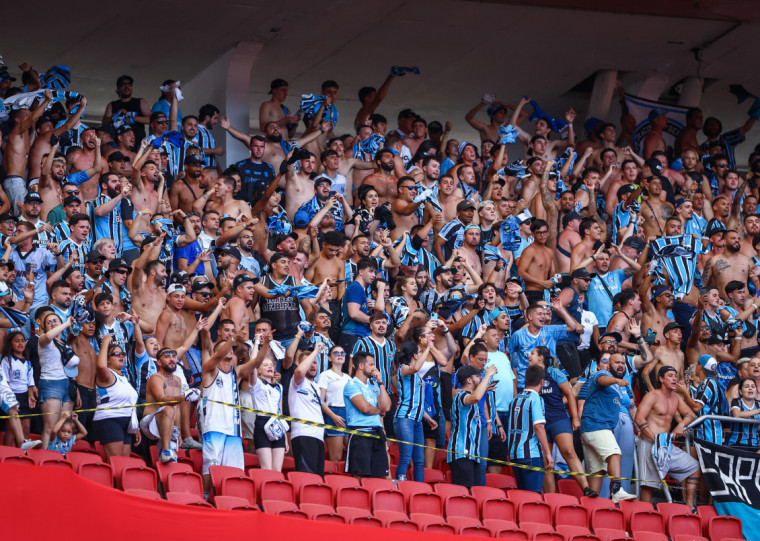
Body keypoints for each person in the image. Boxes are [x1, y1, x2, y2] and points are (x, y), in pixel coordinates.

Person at [529, 346, 596, 496]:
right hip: (540, 423)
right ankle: (551, 497)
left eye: (532, 353)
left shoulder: (554, 372)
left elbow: (570, 394)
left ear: (541, 357)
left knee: (569, 452)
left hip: (558, 418)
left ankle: (586, 488)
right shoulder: (531, 375)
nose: (529, 356)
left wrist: (575, 418)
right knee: (546, 461)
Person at [635, 365, 702, 508]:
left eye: (675, 376)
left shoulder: (676, 397)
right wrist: (655, 439)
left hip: (666, 446)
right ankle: (645, 516)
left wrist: (681, 425)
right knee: (648, 485)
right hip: (649, 443)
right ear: (661, 379)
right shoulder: (652, 395)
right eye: (670, 375)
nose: (674, 379)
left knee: (694, 467)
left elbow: (691, 414)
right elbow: (639, 418)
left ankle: (689, 507)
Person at [580, 354, 637, 503]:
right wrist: (616, 380)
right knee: (615, 453)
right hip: (596, 426)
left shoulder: (619, 387)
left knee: (598, 471)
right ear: (608, 365)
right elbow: (601, 380)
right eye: (616, 362)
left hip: (594, 429)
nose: (620, 365)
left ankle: (590, 507)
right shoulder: (603, 374)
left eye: (623, 363)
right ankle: (617, 490)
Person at [141, 348, 200, 463]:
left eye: (174, 356)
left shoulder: (177, 380)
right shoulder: (156, 378)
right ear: (159, 362)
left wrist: (177, 431)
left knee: (169, 464)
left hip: (168, 420)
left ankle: (166, 453)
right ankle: (166, 450)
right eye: (167, 356)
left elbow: (176, 408)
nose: (172, 359)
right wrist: (184, 397)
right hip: (150, 422)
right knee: (167, 408)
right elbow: (163, 401)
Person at [448, 363, 498, 488]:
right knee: (464, 494)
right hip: (461, 453)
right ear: (469, 380)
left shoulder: (470, 396)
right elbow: (475, 397)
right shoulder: (461, 395)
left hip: (472, 454)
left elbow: (476, 395)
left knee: (474, 494)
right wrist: (488, 375)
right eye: (477, 375)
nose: (480, 377)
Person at [343, 352, 391, 478]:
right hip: (360, 433)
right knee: (360, 474)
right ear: (361, 366)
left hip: (377, 432)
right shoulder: (352, 384)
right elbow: (365, 408)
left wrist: (380, 382)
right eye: (371, 364)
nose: (374, 368)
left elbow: (387, 407)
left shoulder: (374, 385)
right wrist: (379, 410)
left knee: (379, 474)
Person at [506, 364, 553, 493]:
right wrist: (548, 453)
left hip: (514, 454)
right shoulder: (536, 399)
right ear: (542, 381)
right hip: (531, 454)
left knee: (522, 496)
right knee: (533, 498)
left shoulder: (515, 400)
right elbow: (538, 426)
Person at [92, 335, 139, 462]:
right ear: (107, 360)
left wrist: (136, 426)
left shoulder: (124, 378)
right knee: (116, 461)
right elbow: (100, 366)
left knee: (125, 463)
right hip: (110, 419)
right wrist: (106, 341)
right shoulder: (106, 374)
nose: (121, 356)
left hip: (126, 421)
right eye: (116, 354)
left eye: (122, 353)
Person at [37, 313, 77, 449]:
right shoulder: (43, 339)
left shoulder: (65, 344)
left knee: (63, 425)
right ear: (44, 327)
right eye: (49, 322)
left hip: (66, 384)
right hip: (51, 383)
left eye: (55, 321)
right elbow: (49, 336)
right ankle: (44, 461)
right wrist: (66, 324)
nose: (53, 323)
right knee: (50, 428)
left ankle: (59, 457)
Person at [288, 344, 326, 475]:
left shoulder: (315, 386)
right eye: (309, 362)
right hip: (303, 433)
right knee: (306, 476)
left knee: (318, 478)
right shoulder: (297, 381)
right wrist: (315, 351)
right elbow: (299, 371)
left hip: (318, 435)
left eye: (315, 362)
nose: (313, 365)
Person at [318, 345, 352, 465]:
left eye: (342, 353)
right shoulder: (325, 375)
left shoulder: (348, 378)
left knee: (352, 455)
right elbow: (321, 400)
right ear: (330, 358)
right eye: (336, 353)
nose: (340, 355)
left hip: (348, 414)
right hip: (333, 412)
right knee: (336, 457)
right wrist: (333, 416)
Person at [726, 377, 760, 449]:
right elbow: (737, 414)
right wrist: (757, 411)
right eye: (747, 386)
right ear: (741, 391)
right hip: (736, 444)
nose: (750, 388)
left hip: (755, 445)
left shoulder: (759, 404)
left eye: (753, 386)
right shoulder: (736, 402)